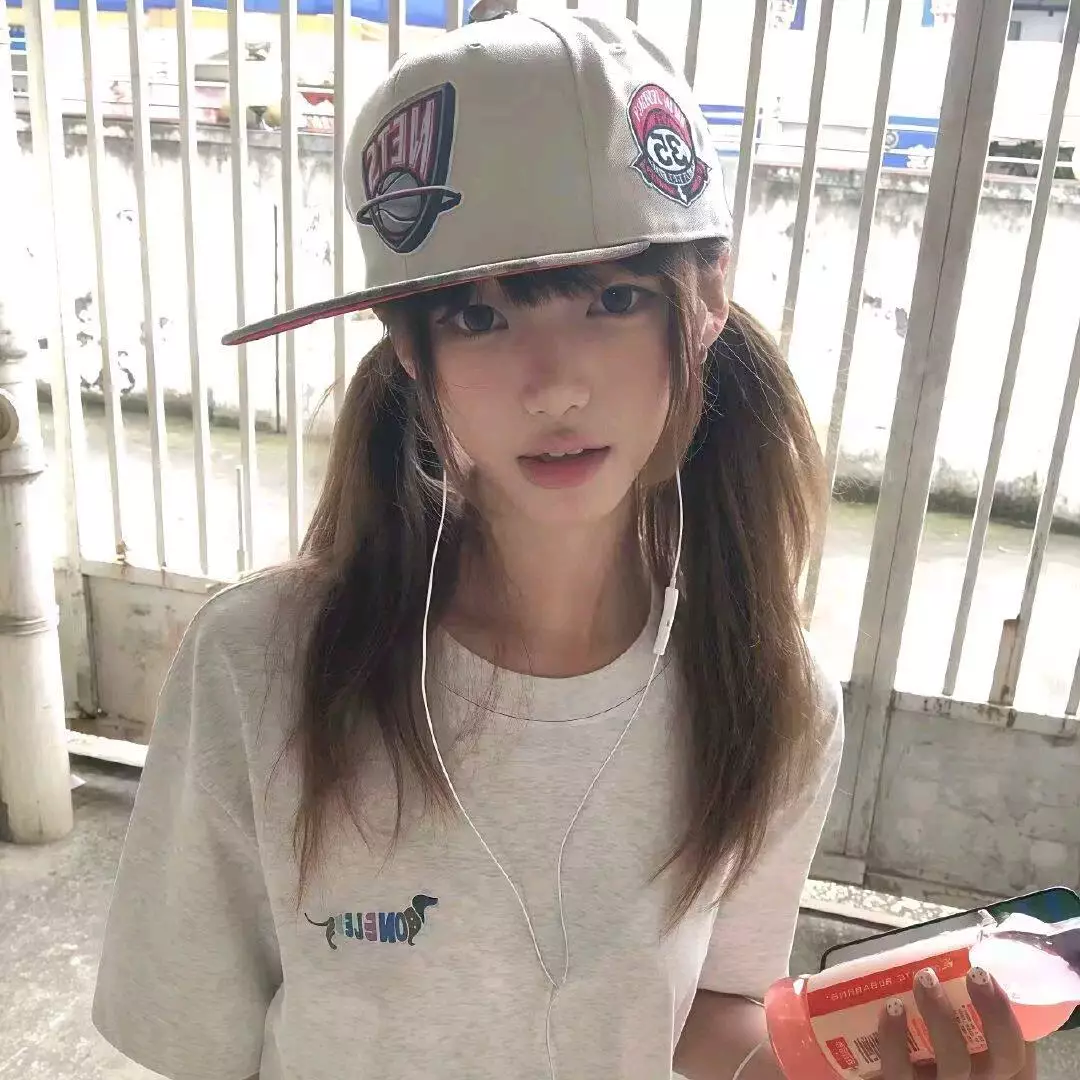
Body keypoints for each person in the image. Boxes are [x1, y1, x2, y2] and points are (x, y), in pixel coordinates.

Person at [91, 9, 1035, 1080]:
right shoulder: (260, 667)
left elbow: (717, 1006)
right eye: (480, 317)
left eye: (613, 299)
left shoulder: (772, 695)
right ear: (410, 345)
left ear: (707, 298)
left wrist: (840, 1066)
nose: (553, 386)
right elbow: (194, 1046)